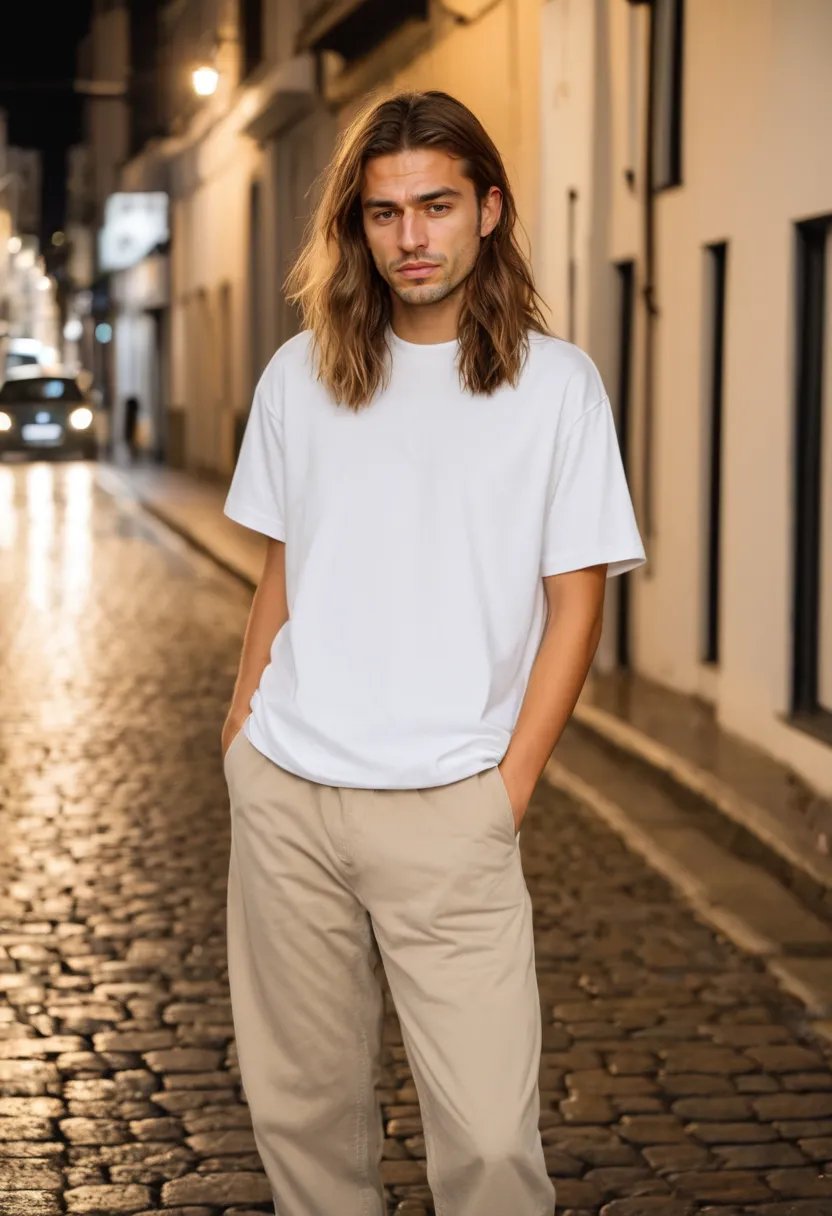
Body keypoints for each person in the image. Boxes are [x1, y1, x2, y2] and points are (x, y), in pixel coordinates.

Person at [221, 90, 646, 1216]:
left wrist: (507, 790)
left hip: (453, 807)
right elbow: (282, 573)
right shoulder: (298, 376)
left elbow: (576, 606)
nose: (411, 237)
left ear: (488, 210)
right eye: (384, 212)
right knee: (302, 1121)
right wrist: (240, 736)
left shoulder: (556, 387)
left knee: (493, 1146)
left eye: (437, 206)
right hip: (289, 796)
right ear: (358, 227)